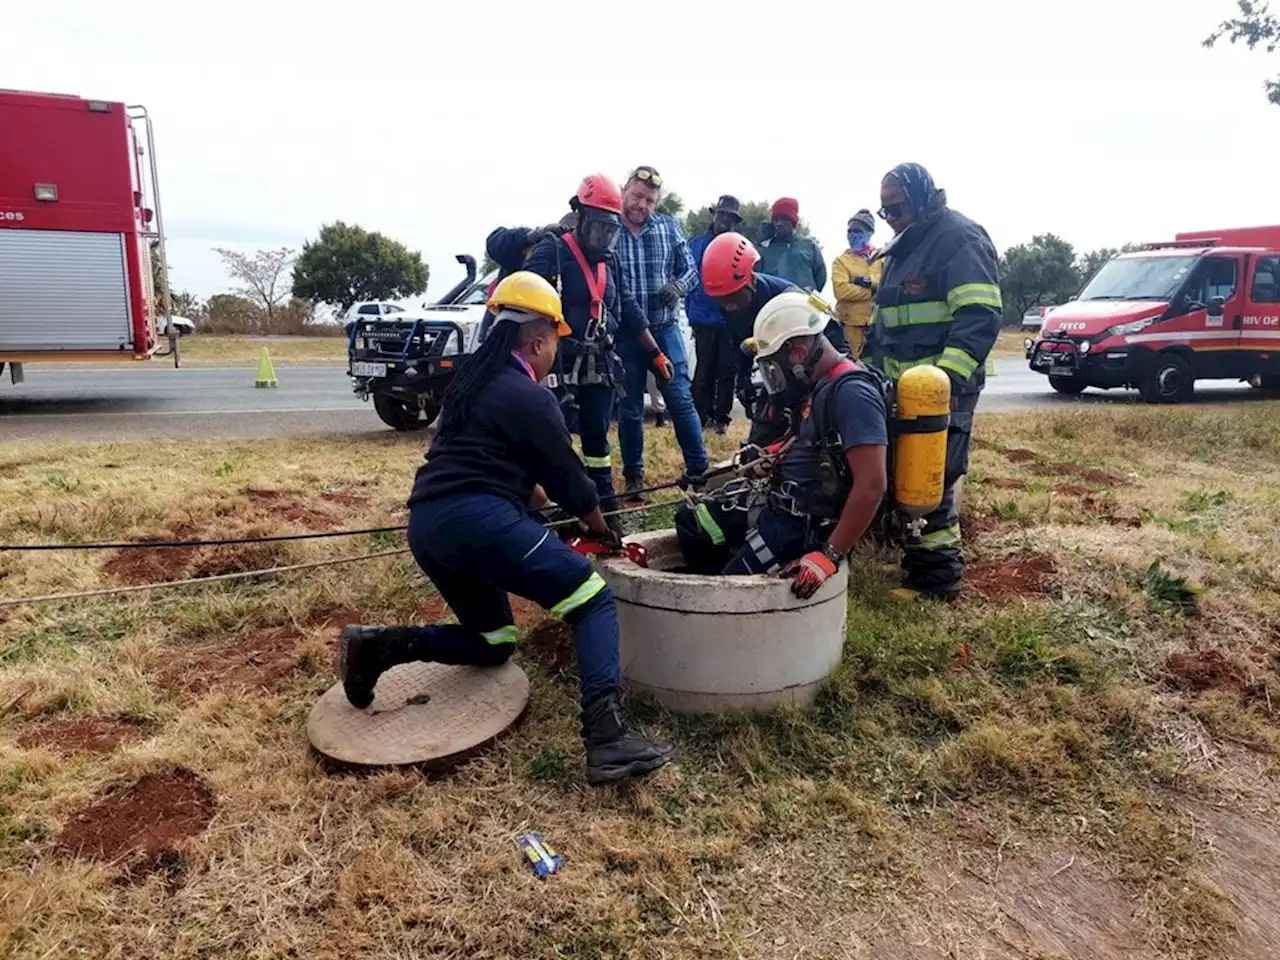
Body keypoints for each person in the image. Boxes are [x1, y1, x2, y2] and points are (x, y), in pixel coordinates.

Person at [339, 272, 677, 784]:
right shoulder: (530, 395)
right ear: (538, 339)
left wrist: (547, 525)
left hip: (430, 526)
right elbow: (570, 483)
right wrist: (599, 527)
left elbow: (531, 488)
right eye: (553, 348)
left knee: (494, 639)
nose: (552, 360)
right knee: (591, 600)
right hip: (480, 521)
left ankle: (381, 647)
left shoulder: (473, 386)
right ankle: (606, 738)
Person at [673, 292, 888, 593]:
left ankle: (724, 586)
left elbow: (872, 484)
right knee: (693, 520)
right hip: (775, 505)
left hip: (800, 527)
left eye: (774, 367)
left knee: (722, 595)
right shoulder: (820, 385)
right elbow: (805, 440)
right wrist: (758, 461)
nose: (775, 378)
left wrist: (830, 554)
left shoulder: (853, 394)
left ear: (798, 353)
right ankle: (721, 573)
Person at [870, 162, 1001, 601]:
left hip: (942, 390)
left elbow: (979, 316)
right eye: (885, 211)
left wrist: (943, 381)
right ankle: (915, 561)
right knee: (904, 473)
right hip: (902, 389)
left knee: (933, 478)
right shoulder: (902, 247)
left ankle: (938, 582)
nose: (892, 218)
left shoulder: (958, 240)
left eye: (899, 208)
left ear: (922, 198)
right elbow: (882, 324)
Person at [524, 173, 675, 509]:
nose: (604, 238)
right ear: (580, 217)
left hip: (600, 363)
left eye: (611, 231)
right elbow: (524, 299)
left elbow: (630, 309)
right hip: (559, 363)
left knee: (597, 442)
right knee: (553, 437)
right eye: (598, 229)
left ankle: (604, 503)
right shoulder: (554, 250)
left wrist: (656, 353)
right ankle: (552, 507)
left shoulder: (611, 260)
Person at [612, 165, 708, 503]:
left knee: (680, 399)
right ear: (624, 190)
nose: (642, 205)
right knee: (630, 406)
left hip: (665, 328)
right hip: (626, 335)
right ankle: (634, 477)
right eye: (637, 196)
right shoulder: (609, 230)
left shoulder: (669, 227)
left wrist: (677, 286)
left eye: (650, 200)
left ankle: (700, 471)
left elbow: (691, 270)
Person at [700, 232, 846, 443]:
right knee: (761, 438)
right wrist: (742, 379)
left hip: (809, 371)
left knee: (812, 436)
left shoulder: (788, 298)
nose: (729, 305)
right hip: (776, 376)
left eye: (733, 297)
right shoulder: (728, 304)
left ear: (749, 279)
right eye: (722, 300)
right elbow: (737, 343)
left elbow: (829, 340)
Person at [687, 195, 744, 434]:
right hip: (704, 317)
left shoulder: (740, 245)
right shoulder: (696, 244)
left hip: (730, 319)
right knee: (704, 370)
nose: (724, 220)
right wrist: (693, 313)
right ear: (714, 214)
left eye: (729, 216)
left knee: (727, 371)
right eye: (721, 214)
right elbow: (688, 277)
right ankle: (701, 417)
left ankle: (722, 419)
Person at [478, 221, 570, 343]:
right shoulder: (522, 246)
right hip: (501, 334)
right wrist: (529, 236)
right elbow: (494, 242)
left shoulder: (567, 263)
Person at [831, 209, 882, 358]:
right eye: (849, 231)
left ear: (870, 232)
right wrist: (873, 290)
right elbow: (842, 291)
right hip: (850, 327)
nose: (852, 235)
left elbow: (887, 282)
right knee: (854, 365)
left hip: (877, 325)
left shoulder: (881, 257)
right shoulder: (841, 261)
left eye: (857, 231)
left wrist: (867, 282)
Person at [758, 197, 827, 293]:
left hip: (803, 303)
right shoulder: (765, 249)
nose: (779, 224)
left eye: (784, 219)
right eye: (776, 220)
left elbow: (820, 278)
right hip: (773, 305)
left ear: (793, 221)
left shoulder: (810, 247)